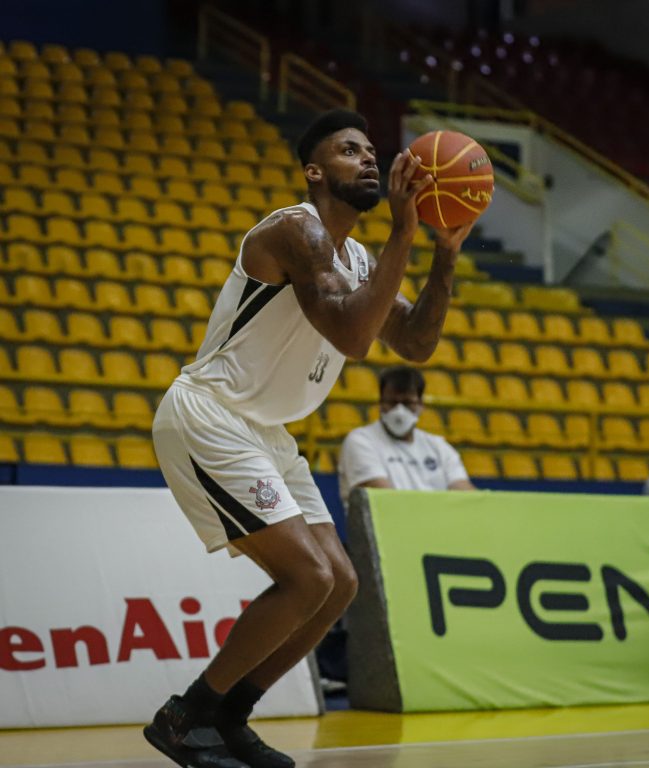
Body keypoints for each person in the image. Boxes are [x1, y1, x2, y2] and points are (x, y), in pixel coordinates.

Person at [146, 108, 474, 768]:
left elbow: (415, 344)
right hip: (211, 415)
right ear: (315, 172)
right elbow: (353, 336)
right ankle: (185, 717)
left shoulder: (356, 258)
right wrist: (404, 233)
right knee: (307, 576)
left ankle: (231, 716)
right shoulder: (294, 229)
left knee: (339, 584)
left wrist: (443, 254)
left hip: (265, 431)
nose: (370, 158)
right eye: (351, 150)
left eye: (372, 150)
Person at [338, 365, 476, 508]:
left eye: (407, 403)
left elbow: (466, 496)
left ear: (421, 405)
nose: (399, 411)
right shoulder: (360, 441)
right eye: (392, 402)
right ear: (380, 403)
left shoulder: (439, 446)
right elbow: (385, 501)